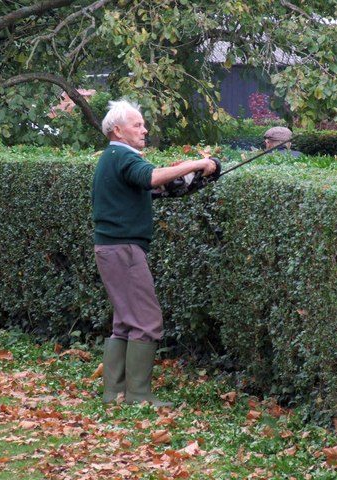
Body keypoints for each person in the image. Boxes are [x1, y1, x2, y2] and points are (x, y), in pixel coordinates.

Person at [92, 99, 217, 407]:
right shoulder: (123, 155)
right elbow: (149, 177)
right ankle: (138, 396)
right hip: (124, 249)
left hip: (111, 248)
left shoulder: (112, 157)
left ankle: (114, 393)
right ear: (118, 131)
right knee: (147, 321)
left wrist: (180, 182)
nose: (144, 129)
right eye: (138, 125)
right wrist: (196, 165)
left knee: (125, 321)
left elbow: (148, 187)